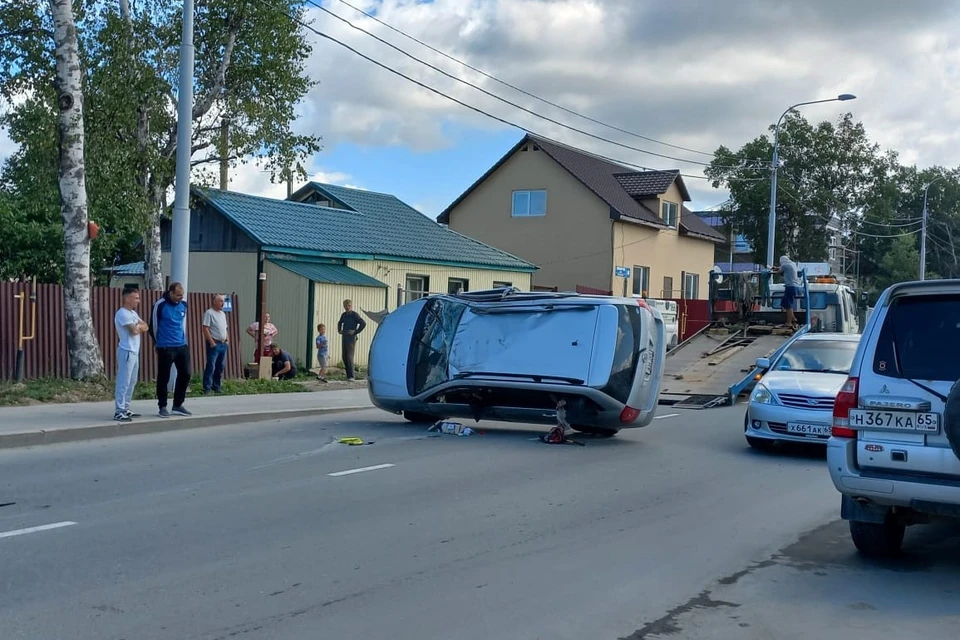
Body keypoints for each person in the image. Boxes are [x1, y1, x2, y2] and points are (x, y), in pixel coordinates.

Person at [150, 281, 192, 417]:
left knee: (185, 374)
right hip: (165, 347)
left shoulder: (184, 305)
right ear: (171, 293)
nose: (181, 298)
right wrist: (159, 343)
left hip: (181, 345)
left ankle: (178, 404)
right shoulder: (160, 305)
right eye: (178, 295)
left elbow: (181, 323)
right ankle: (162, 406)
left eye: (182, 295)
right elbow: (153, 326)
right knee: (164, 377)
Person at [113, 287, 148, 422]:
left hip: (134, 351)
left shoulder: (133, 314)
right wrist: (138, 327)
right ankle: (119, 410)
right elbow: (134, 330)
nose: (138, 301)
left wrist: (139, 326)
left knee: (132, 381)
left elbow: (146, 326)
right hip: (126, 351)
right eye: (136, 298)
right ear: (127, 298)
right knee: (124, 381)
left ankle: (126, 408)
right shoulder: (122, 313)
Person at [202, 294, 229, 394]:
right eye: (221, 301)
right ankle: (207, 388)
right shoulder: (209, 313)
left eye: (223, 301)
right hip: (214, 344)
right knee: (211, 366)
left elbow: (225, 328)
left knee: (220, 366)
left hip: (223, 344)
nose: (223, 303)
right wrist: (211, 342)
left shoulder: (222, 314)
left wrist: (227, 340)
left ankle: (216, 386)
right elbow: (205, 328)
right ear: (214, 302)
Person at [337, 299, 366, 381]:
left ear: (351, 306)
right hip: (345, 336)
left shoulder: (354, 315)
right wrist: (339, 330)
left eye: (348, 305)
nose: (347, 307)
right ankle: (348, 374)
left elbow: (363, 323)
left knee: (349, 356)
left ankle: (351, 376)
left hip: (351, 337)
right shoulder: (344, 315)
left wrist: (356, 331)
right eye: (345, 306)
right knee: (344, 356)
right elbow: (340, 322)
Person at [773, 254, 800, 329]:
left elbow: (778, 272)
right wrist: (777, 268)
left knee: (788, 305)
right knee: (785, 302)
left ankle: (789, 323)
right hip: (795, 286)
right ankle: (793, 318)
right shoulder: (793, 264)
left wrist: (775, 270)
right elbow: (783, 268)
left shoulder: (784, 266)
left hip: (790, 287)